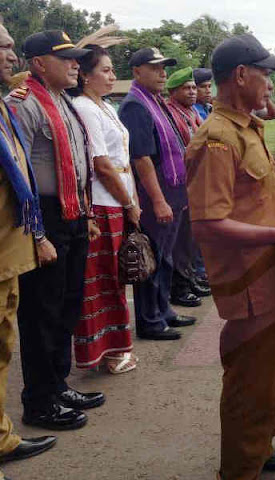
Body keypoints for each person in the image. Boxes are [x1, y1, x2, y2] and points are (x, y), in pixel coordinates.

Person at [185, 33, 275, 479]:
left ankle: (258, 447)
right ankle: (239, 469)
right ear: (240, 75)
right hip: (249, 281)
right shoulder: (216, 138)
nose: (271, 83)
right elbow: (207, 224)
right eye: (266, 74)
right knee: (248, 377)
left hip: (272, 272)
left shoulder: (244, 127)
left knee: (269, 369)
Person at [6, 30, 106, 431]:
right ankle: (39, 401)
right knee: (41, 313)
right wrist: (37, 235)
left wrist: (85, 213)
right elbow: (18, 173)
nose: (74, 65)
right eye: (64, 58)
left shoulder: (65, 101)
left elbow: (76, 161)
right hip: (44, 218)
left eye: (76, 58)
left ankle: (57, 383)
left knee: (67, 304)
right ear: (38, 63)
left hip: (72, 213)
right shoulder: (25, 103)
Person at [0, 20, 57, 475]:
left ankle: (1, 435)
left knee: (4, 344)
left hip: (10, 248)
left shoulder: (5, 107)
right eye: (1, 47)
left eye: (11, 48)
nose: (10, 56)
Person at [70, 36, 141, 374]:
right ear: (85, 75)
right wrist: (128, 202)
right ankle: (106, 354)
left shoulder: (105, 106)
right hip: (103, 201)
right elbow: (101, 163)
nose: (113, 76)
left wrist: (132, 198)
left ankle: (115, 350)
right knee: (102, 283)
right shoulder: (84, 107)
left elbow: (121, 158)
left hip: (119, 197)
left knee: (115, 278)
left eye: (114, 70)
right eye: (106, 70)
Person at [118, 47, 197, 341]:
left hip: (173, 191)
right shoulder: (135, 105)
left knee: (165, 257)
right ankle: (150, 320)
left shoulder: (154, 101)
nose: (163, 73)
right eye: (155, 67)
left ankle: (163, 310)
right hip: (156, 195)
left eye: (164, 67)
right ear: (137, 71)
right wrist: (159, 200)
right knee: (151, 257)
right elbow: (141, 158)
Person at [165, 66, 211, 308]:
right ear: (173, 91)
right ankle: (180, 286)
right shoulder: (172, 113)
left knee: (192, 238)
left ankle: (190, 278)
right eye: (187, 88)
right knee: (181, 240)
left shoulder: (192, 112)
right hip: (181, 183)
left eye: (194, 87)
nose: (193, 92)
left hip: (195, 181)